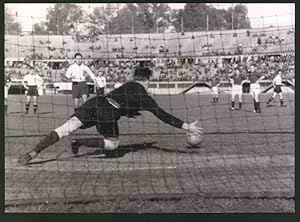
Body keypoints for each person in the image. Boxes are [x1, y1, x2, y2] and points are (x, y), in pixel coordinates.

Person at [17, 67, 203, 165]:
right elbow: (162, 115)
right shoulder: (144, 96)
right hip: (107, 112)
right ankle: (79, 143)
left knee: (64, 129)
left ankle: (35, 151)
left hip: (94, 102)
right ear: (147, 80)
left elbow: (125, 102)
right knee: (113, 144)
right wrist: (187, 126)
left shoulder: (126, 85)